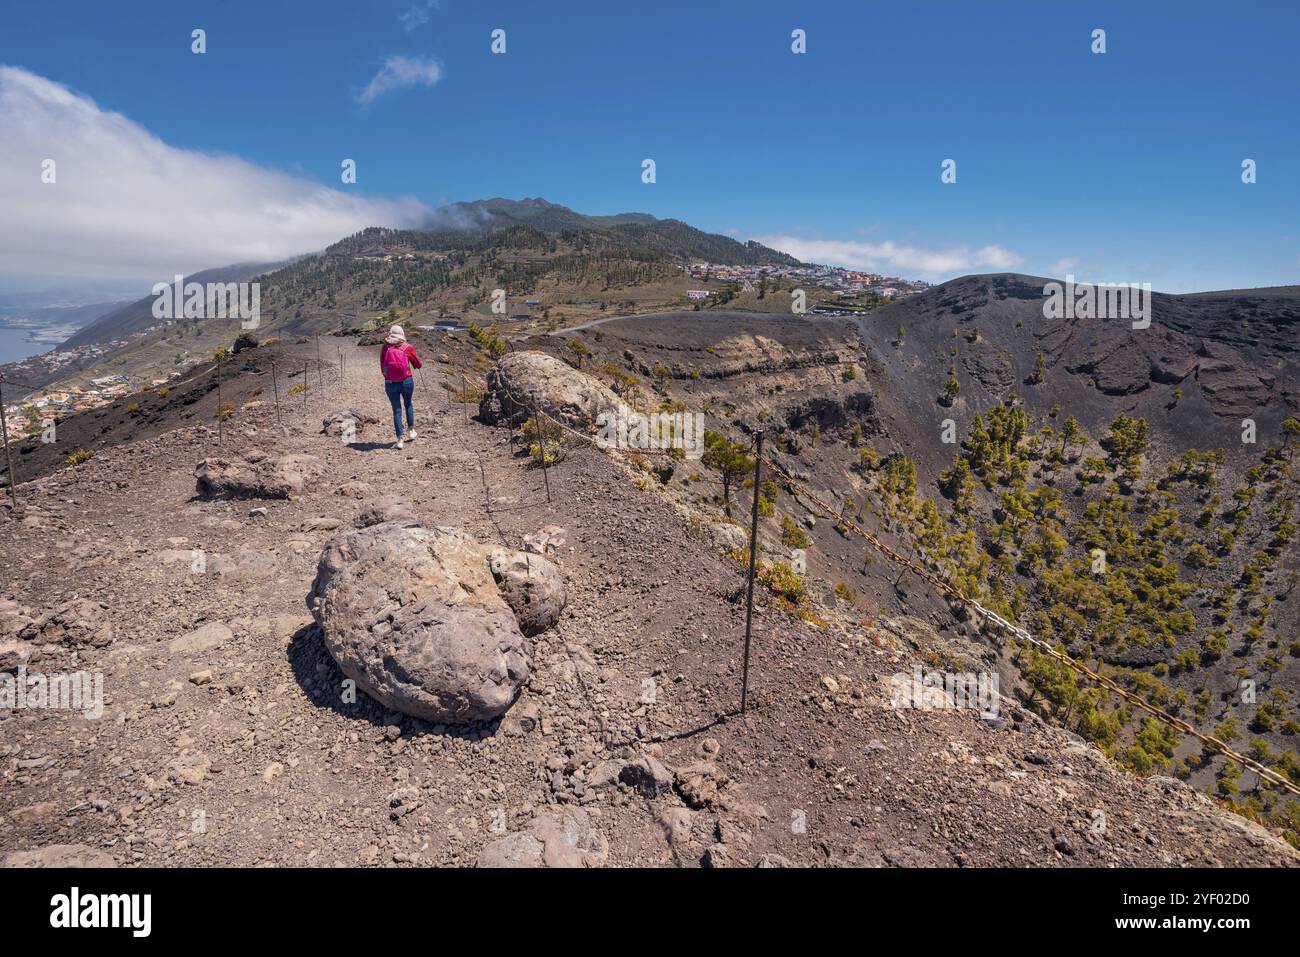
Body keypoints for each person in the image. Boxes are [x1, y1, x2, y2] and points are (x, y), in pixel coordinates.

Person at [380, 325, 422, 449]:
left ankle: (399, 440)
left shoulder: (385, 347)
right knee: (408, 404)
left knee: (396, 410)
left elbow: (382, 366)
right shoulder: (407, 347)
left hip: (390, 383)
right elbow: (418, 364)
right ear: (402, 334)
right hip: (406, 381)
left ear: (391, 334)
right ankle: (411, 431)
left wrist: (388, 378)